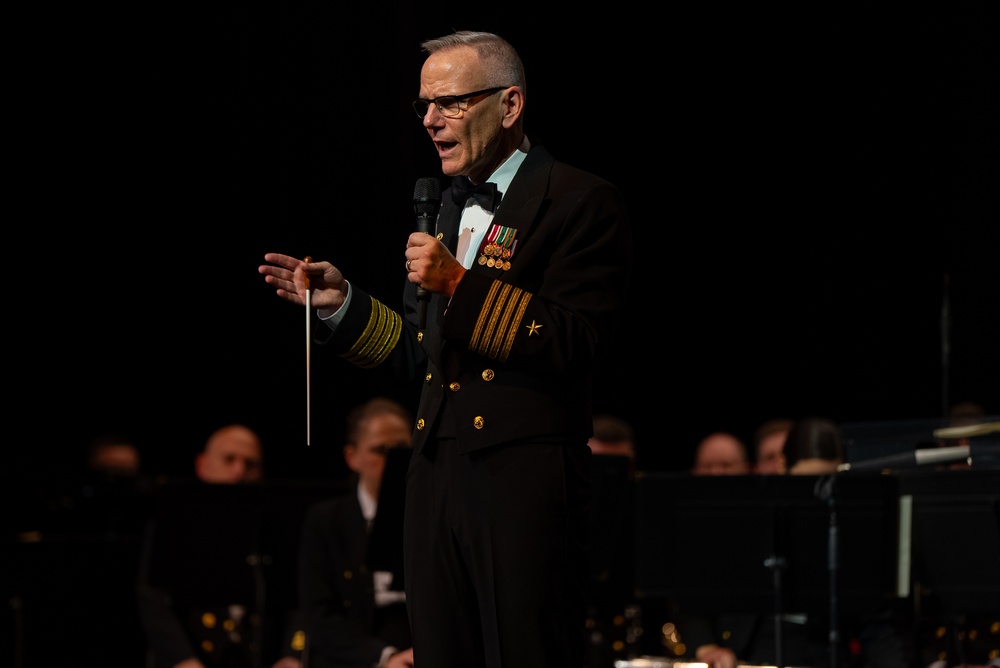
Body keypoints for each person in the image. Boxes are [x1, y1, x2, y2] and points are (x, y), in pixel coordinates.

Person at [259, 29, 633, 668]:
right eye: (424, 105)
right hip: (434, 473)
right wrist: (342, 305)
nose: (431, 120)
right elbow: (417, 352)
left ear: (510, 106)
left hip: (523, 477)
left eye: (451, 102)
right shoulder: (445, 205)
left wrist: (460, 285)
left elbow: (577, 340)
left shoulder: (579, 197)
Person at [137, 423, 271, 668]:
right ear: (203, 464)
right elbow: (151, 597)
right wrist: (183, 658)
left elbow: (296, 602)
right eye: (229, 459)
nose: (239, 471)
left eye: (250, 464)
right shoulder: (173, 521)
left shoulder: (271, 527)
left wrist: (292, 654)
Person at [295, 397, 415, 668]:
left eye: (403, 449)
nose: (394, 460)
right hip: (359, 654)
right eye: (380, 450)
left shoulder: (430, 516)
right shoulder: (327, 521)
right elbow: (320, 616)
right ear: (352, 457)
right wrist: (384, 658)